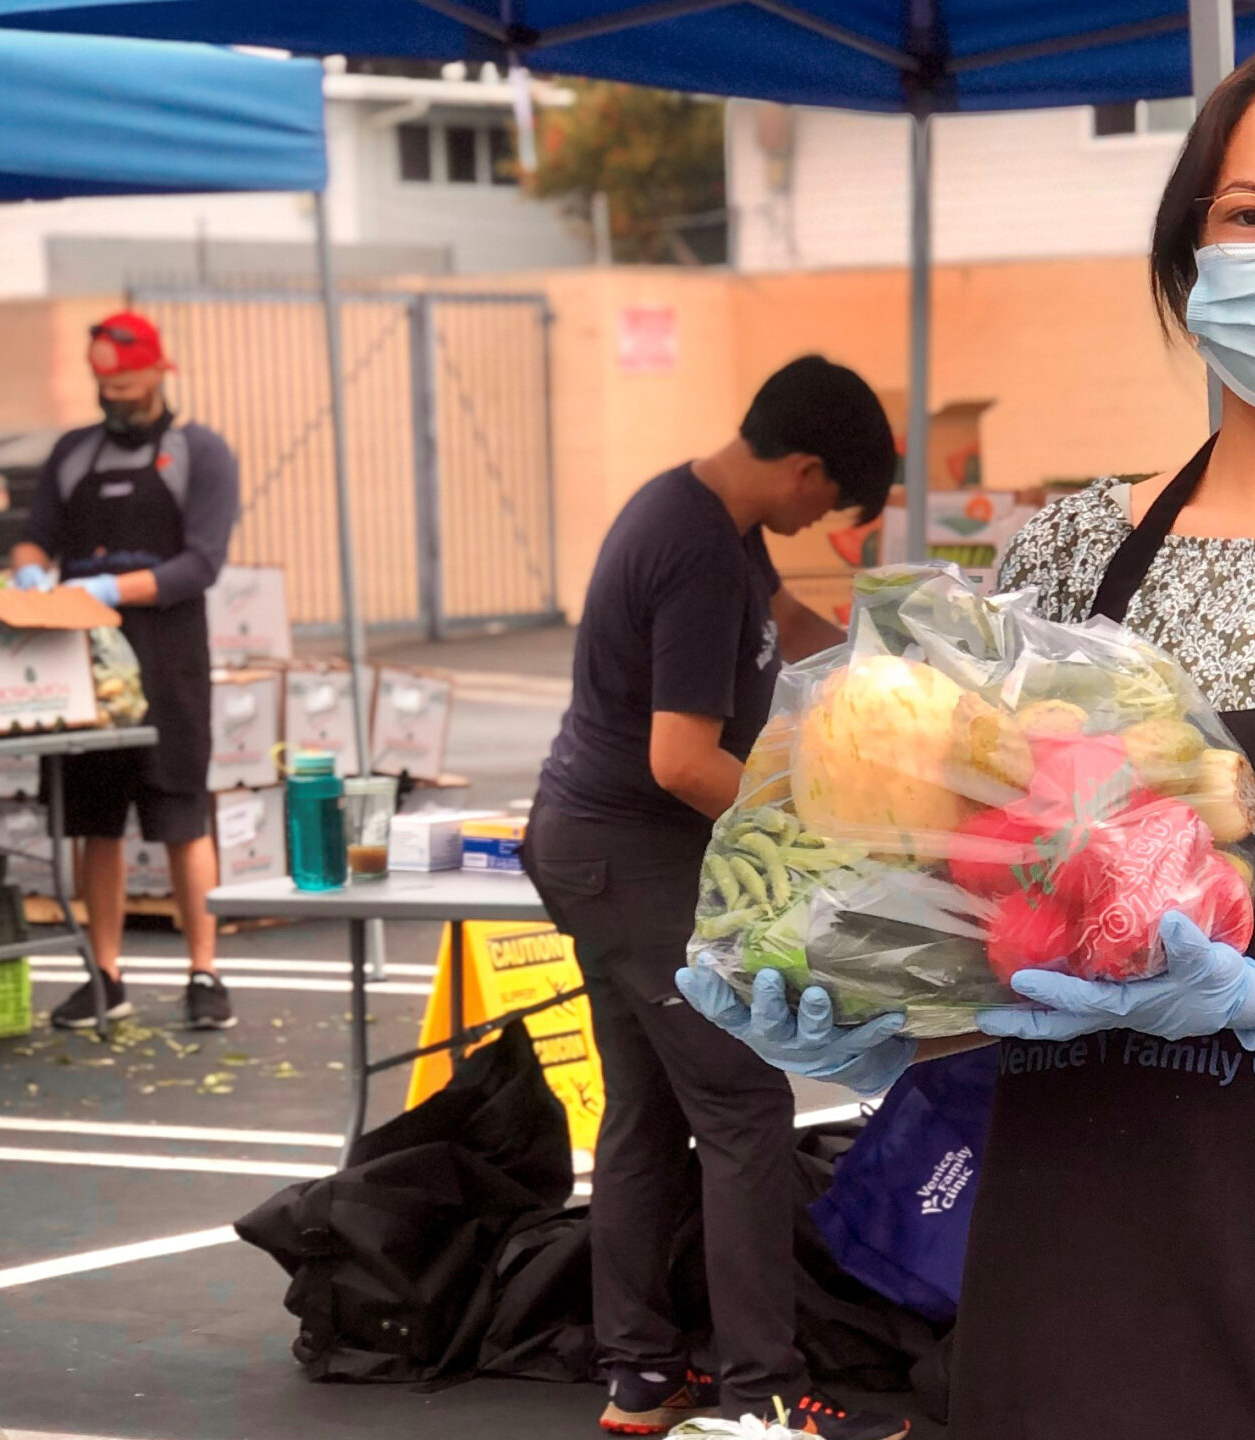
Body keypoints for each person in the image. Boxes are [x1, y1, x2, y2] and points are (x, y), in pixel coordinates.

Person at [678, 40, 1255, 1439]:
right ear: (1191, 266)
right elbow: (968, 890)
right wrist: (874, 1006)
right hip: (1081, 1268)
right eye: (1248, 213)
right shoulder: (1067, 553)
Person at [525, 357, 912, 1439]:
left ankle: (642, 1377)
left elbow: (785, 618)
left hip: (598, 854)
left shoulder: (709, 515)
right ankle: (764, 1398)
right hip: (631, 855)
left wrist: (900, 682)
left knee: (646, 1115)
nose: (815, 520)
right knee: (744, 1108)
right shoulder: (693, 549)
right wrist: (826, 838)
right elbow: (682, 760)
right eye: (825, 501)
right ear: (801, 469)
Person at [11, 312, 242, 1033]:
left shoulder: (199, 454)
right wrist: (26, 572)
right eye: (103, 382)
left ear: (158, 372)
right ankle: (104, 974)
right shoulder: (73, 454)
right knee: (95, 824)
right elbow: (33, 534)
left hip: (168, 660)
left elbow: (201, 563)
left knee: (179, 814)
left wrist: (115, 588)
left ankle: (204, 970)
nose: (115, 394)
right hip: (80, 663)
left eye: (126, 380)